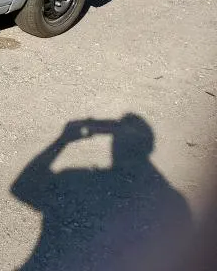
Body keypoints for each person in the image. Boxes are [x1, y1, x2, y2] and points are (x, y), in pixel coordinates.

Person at [11, 115, 191, 271]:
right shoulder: (171, 203)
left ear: (114, 145)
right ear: (148, 149)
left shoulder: (77, 182)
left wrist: (63, 140)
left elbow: (22, 187)